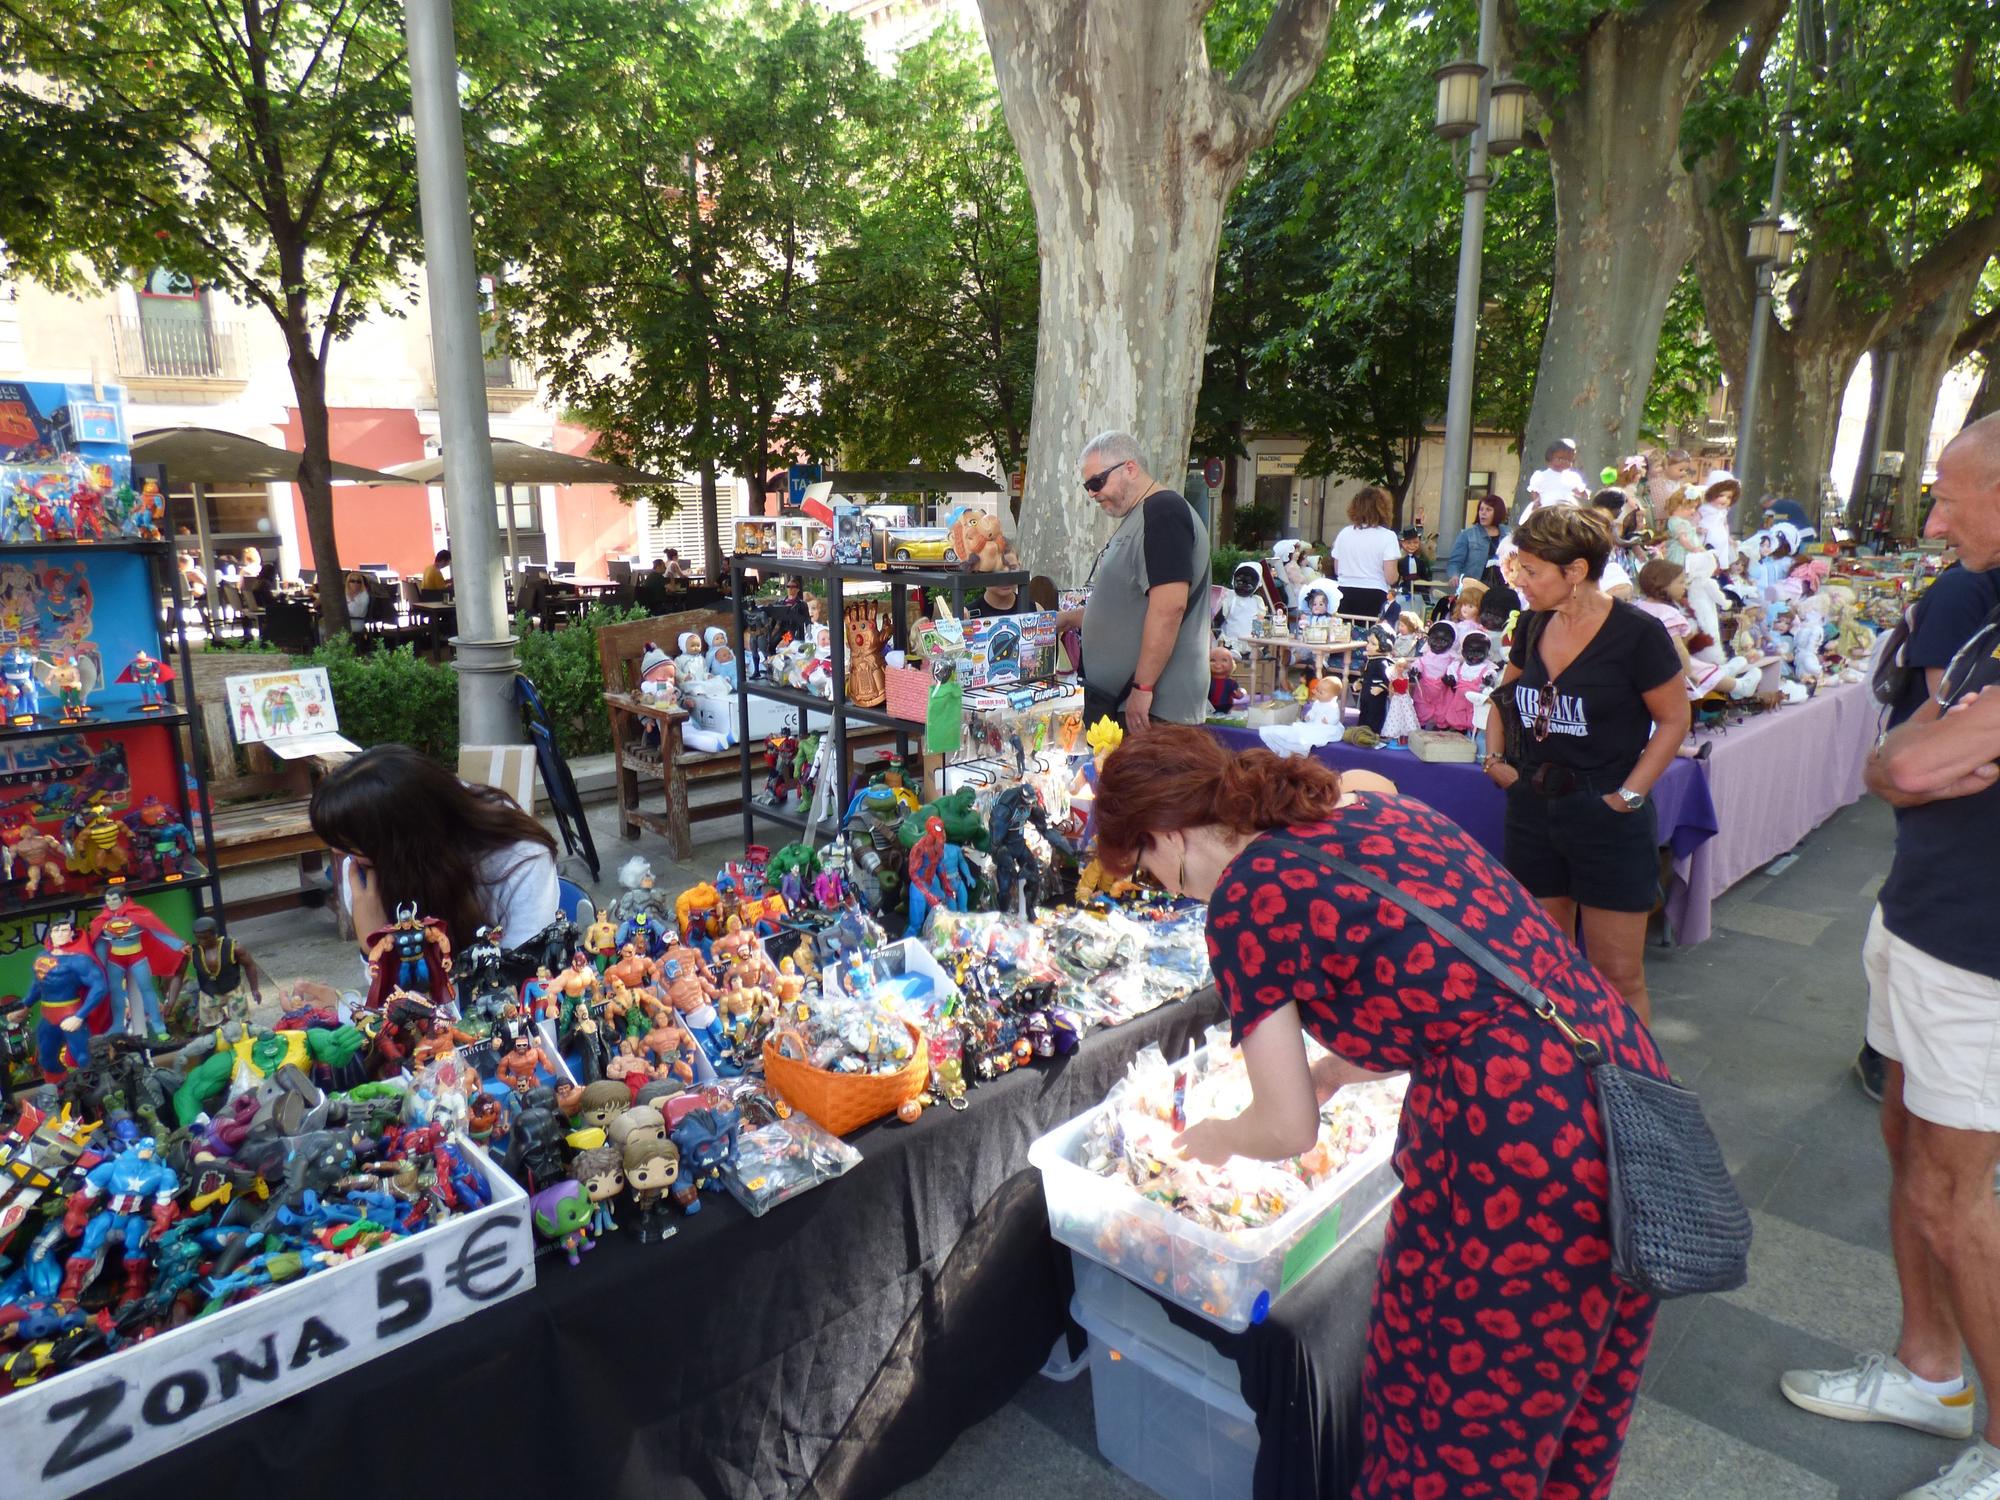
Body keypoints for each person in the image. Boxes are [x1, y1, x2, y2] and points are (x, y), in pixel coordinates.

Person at [1092, 726, 1668, 1500]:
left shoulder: (1243, 897)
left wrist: (1220, 1137)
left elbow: (1286, 1129)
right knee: (1571, 1404)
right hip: (1614, 1075)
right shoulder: (1357, 809)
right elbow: (1448, 985)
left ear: (1165, 834)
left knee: (1451, 1418)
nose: (1170, 892)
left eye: (1150, 871)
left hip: (1517, 1151)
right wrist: (1331, 1069)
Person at [1782, 415, 2000, 1500]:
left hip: (1977, 958)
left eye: (1952, 496)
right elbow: (1900, 756)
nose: (1932, 516)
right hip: (1921, 919)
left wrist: (1901, 759)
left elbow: (1914, 764)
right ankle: (1929, 1370)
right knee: (1907, 1151)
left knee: (1955, 1197)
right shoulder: (1983, 605)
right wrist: (1898, 759)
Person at [1480, 506, 1688, 1023]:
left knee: (1616, 975)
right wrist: (1495, 758)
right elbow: (1504, 697)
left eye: (1531, 571)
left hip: (1606, 814)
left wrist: (1628, 797)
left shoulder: (1637, 633)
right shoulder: (1531, 624)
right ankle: (1557, 1080)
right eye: (1519, 568)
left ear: (1574, 571)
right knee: (1541, 965)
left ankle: (1632, 1092)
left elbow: (1673, 721)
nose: (1520, 581)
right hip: (1533, 810)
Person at [311, 742, 562, 967]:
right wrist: (374, 948)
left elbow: (522, 982)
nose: (338, 853)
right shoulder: (365, 873)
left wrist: (377, 948)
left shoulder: (519, 858)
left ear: (402, 844)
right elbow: (393, 1002)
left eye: (350, 845)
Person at [1052, 431, 1211, 732]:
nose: (1092, 494)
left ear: (1130, 468)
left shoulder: (1163, 513)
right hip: (1127, 705)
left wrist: (1144, 688)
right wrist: (1072, 619)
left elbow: (1169, 607)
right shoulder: (1143, 515)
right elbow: (1130, 608)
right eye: (1087, 487)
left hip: (1152, 711)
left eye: (1096, 483)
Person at [1329, 485, 1402, 623]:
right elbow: (1390, 577)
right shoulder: (1388, 536)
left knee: (1345, 638)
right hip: (1374, 594)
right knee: (1371, 639)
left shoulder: (1344, 533)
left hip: (1344, 593)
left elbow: (1338, 570)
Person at [1443, 494, 1509, 590]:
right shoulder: (1467, 535)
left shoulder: (1508, 534)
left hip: (1503, 587)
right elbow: (1455, 562)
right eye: (1481, 509)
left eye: (1488, 510)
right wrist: (1454, 575)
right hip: (1474, 588)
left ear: (1498, 512)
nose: (1483, 513)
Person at [1523, 438, 1590, 515]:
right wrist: (1537, 500)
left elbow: (1579, 491)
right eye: (1560, 459)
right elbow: (1535, 490)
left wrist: (1583, 494)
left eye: (1569, 461)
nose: (1565, 462)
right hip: (1546, 507)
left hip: (1567, 507)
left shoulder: (1572, 477)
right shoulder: (1541, 475)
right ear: (1549, 458)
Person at [1391, 526, 1430, 611]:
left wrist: (1426, 584)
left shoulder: (1421, 561)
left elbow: (1424, 574)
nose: (1412, 546)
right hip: (1406, 582)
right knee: (1403, 592)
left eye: (1415, 542)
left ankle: (1428, 604)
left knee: (1424, 591)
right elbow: (1397, 574)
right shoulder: (1400, 561)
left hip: (1418, 582)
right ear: (1403, 544)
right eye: (1409, 543)